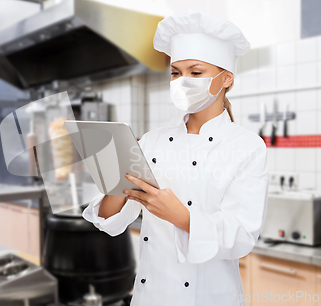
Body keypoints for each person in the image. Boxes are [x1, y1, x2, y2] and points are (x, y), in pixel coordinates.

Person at [82, 9, 268, 306]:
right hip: (150, 296)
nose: (182, 81)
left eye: (195, 72)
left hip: (211, 297)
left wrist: (181, 216)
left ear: (226, 79)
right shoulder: (152, 141)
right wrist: (116, 176)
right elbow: (109, 221)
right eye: (176, 72)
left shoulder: (247, 147)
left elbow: (242, 236)